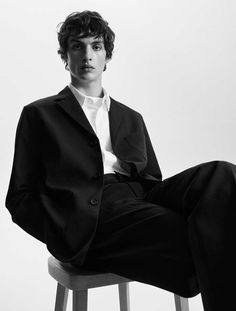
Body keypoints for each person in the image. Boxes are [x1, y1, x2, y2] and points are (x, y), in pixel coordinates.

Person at [5, 10, 236, 310]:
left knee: (222, 175)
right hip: (90, 215)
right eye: (77, 46)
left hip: (140, 200)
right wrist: (65, 234)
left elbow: (153, 179)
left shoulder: (131, 117)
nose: (87, 55)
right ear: (65, 56)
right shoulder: (40, 115)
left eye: (96, 47)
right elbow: (19, 198)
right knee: (201, 232)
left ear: (107, 57)